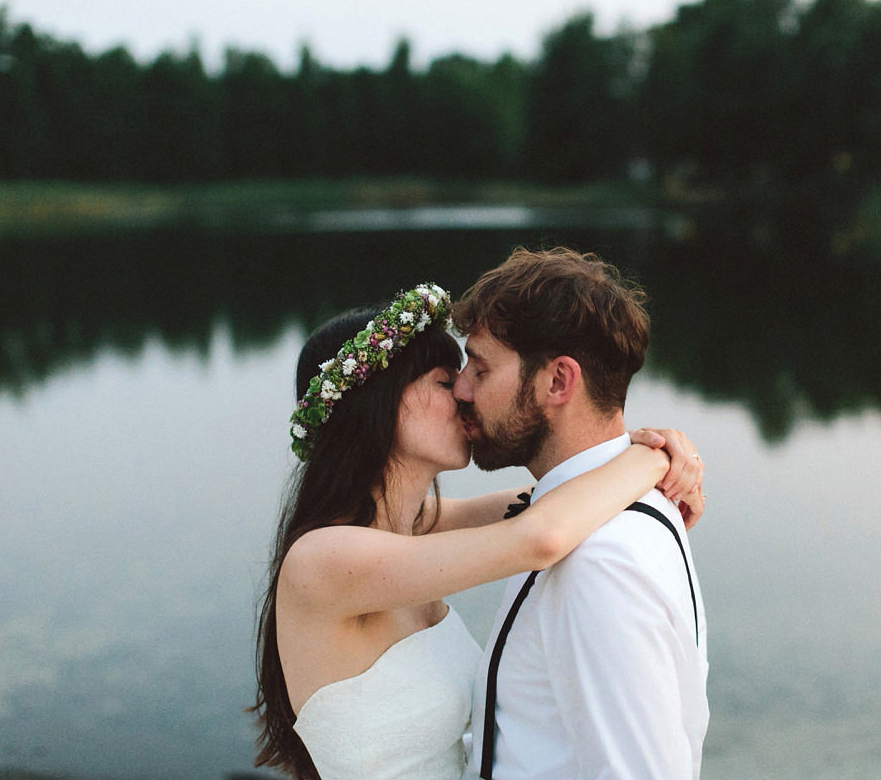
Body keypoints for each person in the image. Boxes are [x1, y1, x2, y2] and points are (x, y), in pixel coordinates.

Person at [251, 282, 705, 780]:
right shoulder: (323, 560)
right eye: (446, 382)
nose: (466, 394)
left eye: (473, 373)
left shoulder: (410, 528)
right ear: (379, 405)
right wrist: (653, 458)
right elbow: (541, 535)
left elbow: (552, 499)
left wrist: (656, 452)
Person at [452, 248, 709, 780]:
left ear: (557, 383)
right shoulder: (591, 508)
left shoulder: (600, 562)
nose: (460, 387)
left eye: (480, 367)